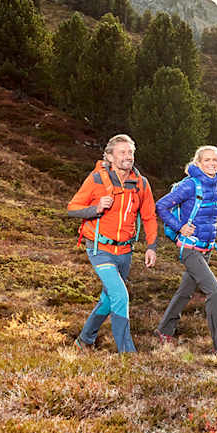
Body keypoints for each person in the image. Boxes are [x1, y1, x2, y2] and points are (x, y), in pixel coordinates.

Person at [67, 134, 158, 353]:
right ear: (109, 156)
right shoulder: (97, 179)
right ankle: (128, 355)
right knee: (120, 296)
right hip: (100, 249)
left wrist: (151, 246)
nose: (128, 157)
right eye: (122, 152)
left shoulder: (141, 183)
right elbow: (72, 208)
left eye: (131, 152)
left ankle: (84, 340)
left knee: (108, 299)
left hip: (125, 251)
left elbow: (149, 216)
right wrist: (96, 207)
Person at [155, 145, 217, 356]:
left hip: (207, 249)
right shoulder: (189, 186)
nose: (212, 164)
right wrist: (180, 227)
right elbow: (161, 205)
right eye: (207, 160)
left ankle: (163, 331)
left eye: (215, 160)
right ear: (198, 163)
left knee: (185, 291)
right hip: (189, 248)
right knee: (214, 292)